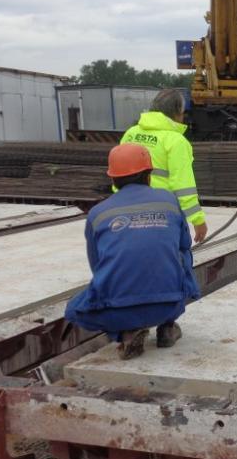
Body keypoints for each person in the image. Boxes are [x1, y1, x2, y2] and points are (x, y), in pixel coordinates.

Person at [66, 144, 199, 359]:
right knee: (183, 254)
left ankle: (125, 333)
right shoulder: (169, 201)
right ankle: (167, 326)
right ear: (148, 175)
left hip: (118, 309)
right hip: (170, 303)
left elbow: (97, 265)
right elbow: (185, 243)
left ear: (113, 179)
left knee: (73, 309)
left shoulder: (98, 213)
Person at [120, 89, 208, 243]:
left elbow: (120, 173)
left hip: (128, 208)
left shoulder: (131, 133)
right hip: (163, 213)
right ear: (177, 113)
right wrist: (197, 220)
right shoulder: (176, 141)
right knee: (174, 253)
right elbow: (183, 187)